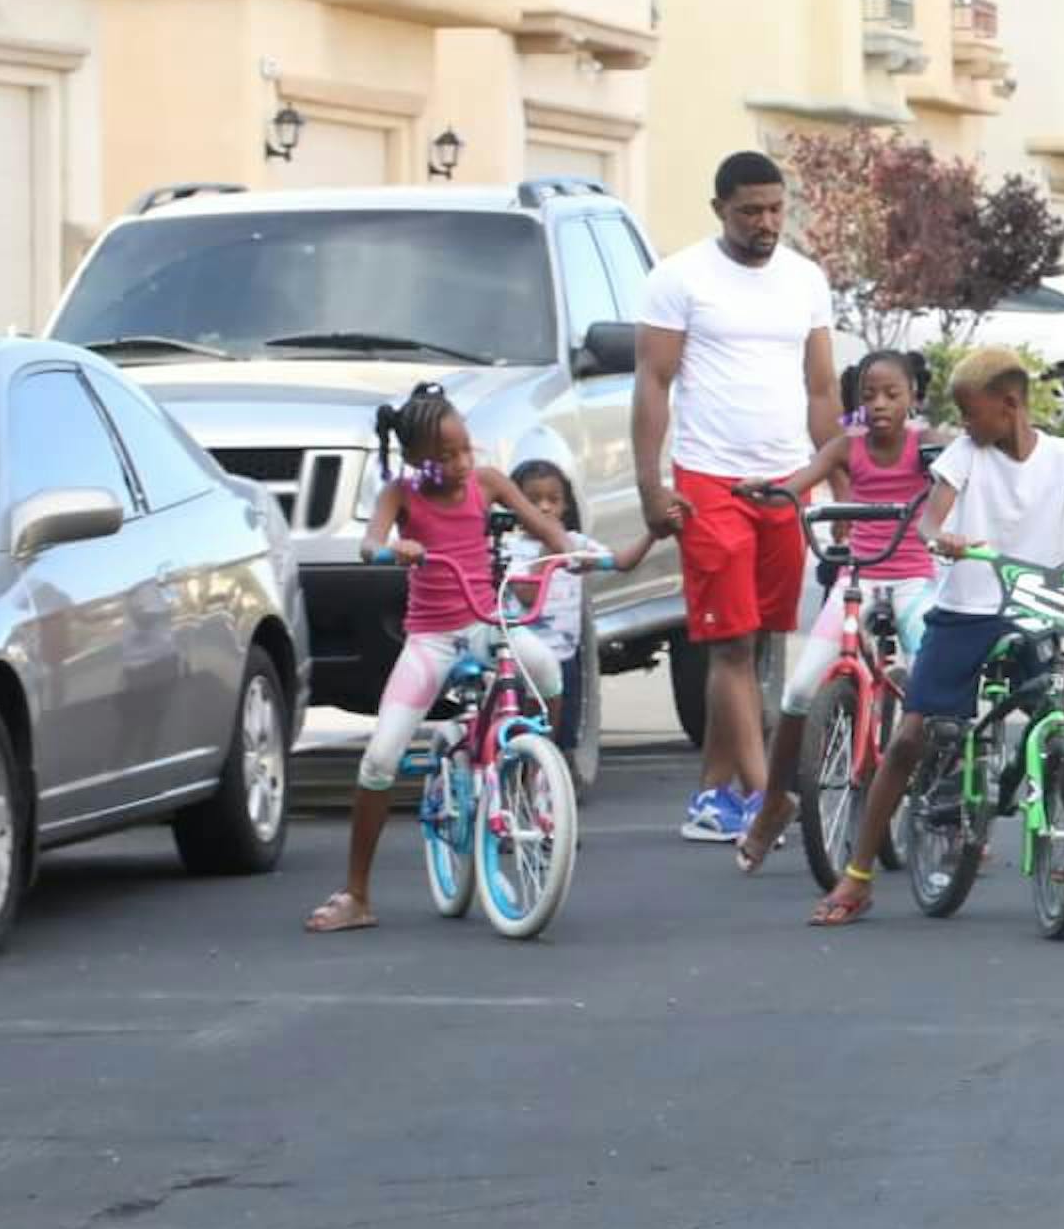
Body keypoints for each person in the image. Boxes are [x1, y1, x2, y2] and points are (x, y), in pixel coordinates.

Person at [815, 348, 1064, 926]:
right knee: (911, 737)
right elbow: (931, 519)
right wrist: (941, 537)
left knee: (1061, 735)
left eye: (971, 413)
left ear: (1010, 405)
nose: (965, 424)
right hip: (964, 613)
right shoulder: (964, 454)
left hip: (1032, 612)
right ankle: (857, 877)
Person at [305, 388, 590, 933]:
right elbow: (369, 543)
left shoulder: (488, 483)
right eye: (447, 455)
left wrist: (573, 552)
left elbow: (547, 529)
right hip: (431, 640)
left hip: (485, 623)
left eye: (466, 450)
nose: (462, 464)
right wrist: (393, 548)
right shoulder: (401, 494)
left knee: (548, 672)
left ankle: (537, 775)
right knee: (380, 759)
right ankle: (357, 894)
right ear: (416, 460)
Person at [633, 150, 836, 846]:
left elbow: (821, 391)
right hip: (708, 481)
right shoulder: (679, 278)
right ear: (719, 208)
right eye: (750, 211)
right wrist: (651, 486)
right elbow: (653, 383)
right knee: (731, 646)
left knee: (757, 638)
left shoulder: (805, 280)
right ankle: (763, 796)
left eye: (776, 209)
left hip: (785, 482)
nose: (766, 222)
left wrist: (840, 489)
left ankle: (712, 795)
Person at [733, 350, 940, 871]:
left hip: (913, 579)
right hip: (857, 577)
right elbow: (794, 487)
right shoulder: (847, 447)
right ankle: (774, 802)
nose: (880, 404)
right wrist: (766, 492)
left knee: (935, 688)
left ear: (914, 396)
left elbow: (964, 471)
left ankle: (951, 807)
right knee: (800, 691)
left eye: (892, 394)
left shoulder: (927, 446)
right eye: (869, 396)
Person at [503, 456, 656, 794]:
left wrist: (653, 535)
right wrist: (550, 546)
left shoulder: (575, 544)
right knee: (521, 728)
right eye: (533, 500)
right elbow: (527, 595)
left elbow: (621, 562)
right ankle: (519, 787)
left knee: (559, 733)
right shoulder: (512, 549)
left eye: (553, 499)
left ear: (565, 505)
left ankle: (550, 793)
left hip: (564, 658)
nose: (544, 507)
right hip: (523, 660)